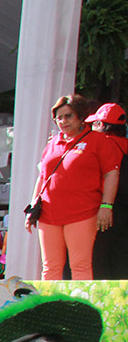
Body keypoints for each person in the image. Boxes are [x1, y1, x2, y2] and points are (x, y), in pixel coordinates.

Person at [26, 93, 122, 280]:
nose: (63, 121)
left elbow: (112, 173)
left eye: (68, 116)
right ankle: (50, 301)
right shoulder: (53, 143)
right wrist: (32, 207)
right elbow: (42, 177)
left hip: (83, 214)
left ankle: (81, 301)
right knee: (50, 268)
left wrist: (107, 205)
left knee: (80, 266)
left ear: (81, 116)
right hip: (48, 214)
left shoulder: (98, 140)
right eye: (59, 117)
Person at [89, 102, 128, 280]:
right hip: (123, 209)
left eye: (95, 123)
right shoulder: (124, 144)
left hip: (106, 207)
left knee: (99, 260)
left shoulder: (102, 144)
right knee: (120, 260)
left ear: (102, 125)